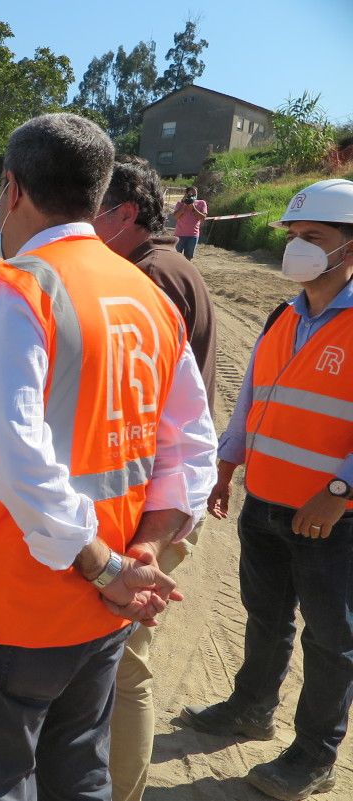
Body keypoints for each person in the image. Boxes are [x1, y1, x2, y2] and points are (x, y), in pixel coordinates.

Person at [0, 113, 217, 801]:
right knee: (79, 769)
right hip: (101, 606)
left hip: (12, 598)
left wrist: (106, 565)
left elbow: (22, 462)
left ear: (12, 189)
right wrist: (141, 552)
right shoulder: (148, 296)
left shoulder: (14, 288)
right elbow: (191, 446)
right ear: (95, 195)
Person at [181, 178, 353, 801]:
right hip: (268, 500)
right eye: (293, 237)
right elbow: (254, 397)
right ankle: (251, 708)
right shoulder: (285, 314)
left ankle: (314, 755)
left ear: (350, 248)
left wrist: (338, 492)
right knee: (266, 615)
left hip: (331, 517)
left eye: (316, 238)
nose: (298, 248)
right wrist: (227, 464)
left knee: (332, 637)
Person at [93, 155, 218, 801]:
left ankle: (119, 790)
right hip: (156, 497)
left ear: (126, 216)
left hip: (152, 507)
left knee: (127, 662)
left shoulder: (147, 280)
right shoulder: (170, 268)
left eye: (96, 207)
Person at [173, 186, 208, 260]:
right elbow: (176, 217)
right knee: (176, 257)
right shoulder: (179, 204)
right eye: (191, 194)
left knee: (188, 257)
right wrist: (184, 205)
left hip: (193, 235)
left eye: (195, 194)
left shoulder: (202, 203)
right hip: (179, 235)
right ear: (186, 194)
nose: (193, 195)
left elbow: (203, 218)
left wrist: (193, 208)